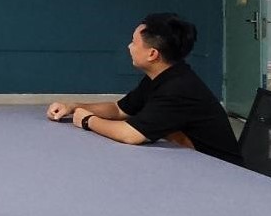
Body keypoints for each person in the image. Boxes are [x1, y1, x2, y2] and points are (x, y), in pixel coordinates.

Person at [46, 13, 242, 166]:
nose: (129, 46)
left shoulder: (178, 88)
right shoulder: (162, 76)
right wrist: (73, 106)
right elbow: (119, 109)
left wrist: (88, 120)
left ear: (152, 54)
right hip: (188, 162)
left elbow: (131, 134)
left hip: (220, 172)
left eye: (134, 42)